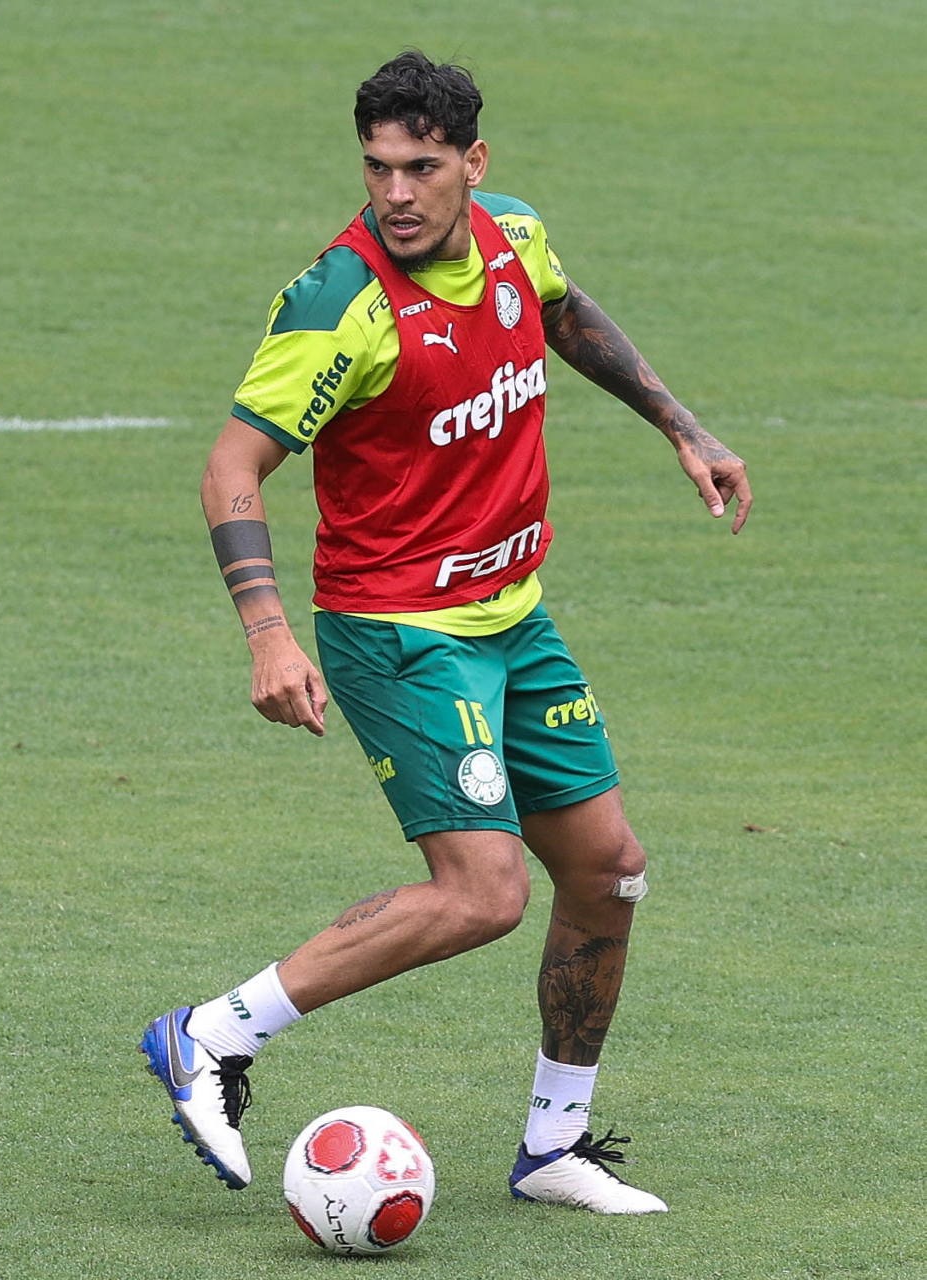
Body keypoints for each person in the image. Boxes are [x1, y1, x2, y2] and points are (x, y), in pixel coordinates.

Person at [140, 50, 751, 1215]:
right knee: (481, 890)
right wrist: (267, 634)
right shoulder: (342, 301)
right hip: (396, 627)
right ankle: (210, 1034)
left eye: (420, 168)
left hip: (512, 615)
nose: (396, 193)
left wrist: (681, 426)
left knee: (606, 871)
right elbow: (231, 466)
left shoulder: (513, 235)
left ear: (473, 162)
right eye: (376, 168)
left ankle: (552, 1144)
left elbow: (562, 313)